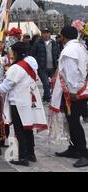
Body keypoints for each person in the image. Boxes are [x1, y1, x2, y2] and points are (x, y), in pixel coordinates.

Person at [0, 42, 48, 166]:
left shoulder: (16, 68)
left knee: (19, 131)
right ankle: (31, 154)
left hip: (18, 103)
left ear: (16, 52)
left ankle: (23, 157)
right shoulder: (32, 63)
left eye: (12, 52)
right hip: (29, 101)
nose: (11, 55)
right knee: (28, 128)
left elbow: (6, 86)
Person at [52, 26, 88, 168]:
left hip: (74, 93)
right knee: (70, 121)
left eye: (60, 36)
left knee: (74, 123)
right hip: (79, 90)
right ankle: (73, 148)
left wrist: (72, 90)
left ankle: (84, 154)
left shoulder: (69, 50)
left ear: (64, 36)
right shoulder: (80, 47)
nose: (59, 39)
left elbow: (71, 72)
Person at [31, 28, 60, 103]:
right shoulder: (37, 43)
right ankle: (47, 98)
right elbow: (33, 54)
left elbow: (57, 53)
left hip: (53, 67)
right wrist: (37, 63)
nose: (46, 34)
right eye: (44, 33)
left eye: (47, 32)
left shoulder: (54, 43)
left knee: (54, 83)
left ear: (50, 34)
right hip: (42, 67)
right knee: (46, 83)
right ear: (41, 34)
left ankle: (50, 97)